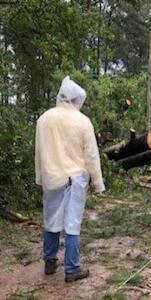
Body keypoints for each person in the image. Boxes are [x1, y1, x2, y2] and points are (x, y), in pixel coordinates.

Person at [35, 76, 105, 282]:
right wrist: (97, 183)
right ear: (76, 99)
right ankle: (72, 269)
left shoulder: (44, 119)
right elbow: (91, 155)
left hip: (51, 177)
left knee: (51, 220)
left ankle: (49, 262)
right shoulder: (82, 121)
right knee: (72, 224)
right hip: (74, 179)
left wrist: (40, 177)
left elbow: (39, 152)